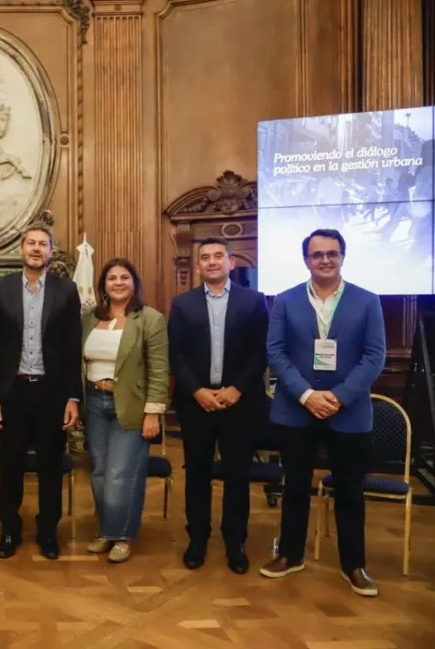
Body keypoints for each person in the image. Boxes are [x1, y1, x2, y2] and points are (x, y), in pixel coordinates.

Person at [259, 228, 385, 597]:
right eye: (317, 255)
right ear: (306, 260)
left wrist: (339, 397)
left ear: (343, 257)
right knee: (294, 486)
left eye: (332, 253)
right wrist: (307, 395)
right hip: (296, 411)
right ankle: (290, 555)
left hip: (348, 413)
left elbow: (374, 356)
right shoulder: (285, 300)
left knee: (349, 490)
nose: (325, 260)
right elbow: (276, 353)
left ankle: (354, 565)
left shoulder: (367, 300)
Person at [168, 237, 269, 574]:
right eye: (205, 258)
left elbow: (261, 352)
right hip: (196, 403)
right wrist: (196, 390)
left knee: (237, 475)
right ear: (198, 266)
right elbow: (176, 354)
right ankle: (197, 539)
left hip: (239, 404)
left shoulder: (254, 302)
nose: (212, 262)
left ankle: (234, 541)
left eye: (218, 256)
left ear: (231, 263)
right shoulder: (182, 304)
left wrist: (237, 388)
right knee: (196, 473)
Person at [0, 223, 82, 560]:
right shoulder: (0, 288)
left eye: (43, 244)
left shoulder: (66, 291)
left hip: (51, 393)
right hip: (12, 392)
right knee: (9, 465)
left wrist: (72, 397)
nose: (36, 249)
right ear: (21, 250)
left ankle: (47, 532)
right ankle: (9, 531)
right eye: (31, 243)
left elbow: (72, 348)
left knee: (50, 466)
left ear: (51, 252)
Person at [81, 258, 169, 564]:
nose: (118, 282)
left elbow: (159, 370)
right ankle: (105, 531)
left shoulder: (150, 319)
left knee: (122, 474)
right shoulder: (90, 318)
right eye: (111, 278)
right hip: (94, 402)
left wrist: (153, 413)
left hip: (131, 406)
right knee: (100, 473)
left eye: (124, 277)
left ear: (134, 283)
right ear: (103, 285)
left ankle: (122, 535)